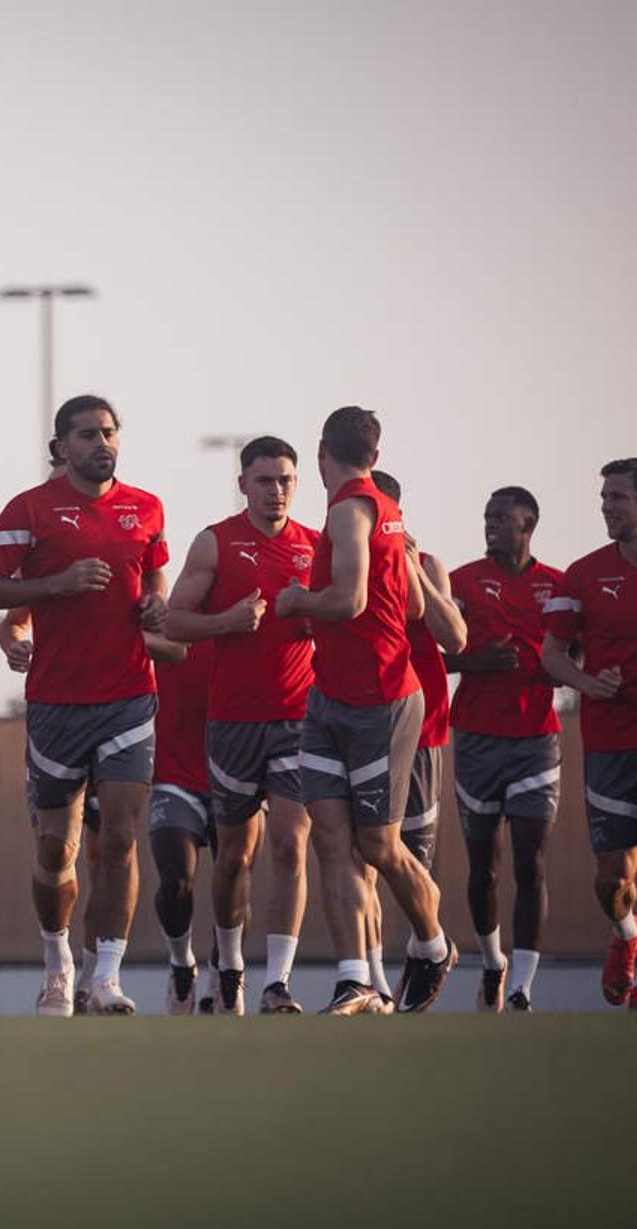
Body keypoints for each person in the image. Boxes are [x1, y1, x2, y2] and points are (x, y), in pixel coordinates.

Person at [0, 395, 168, 1016]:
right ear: (61, 447)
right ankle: (57, 962)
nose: (101, 442)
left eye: (110, 432)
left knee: (119, 840)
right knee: (56, 849)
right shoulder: (30, 509)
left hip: (130, 699)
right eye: (87, 434)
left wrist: (155, 603)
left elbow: (155, 573)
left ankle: (104, 974)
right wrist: (54, 586)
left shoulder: (147, 507)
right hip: (57, 703)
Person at [275, 407, 454, 1015]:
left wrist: (298, 600)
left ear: (322, 452)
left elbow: (349, 602)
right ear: (375, 456)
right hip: (329, 697)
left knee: (378, 846)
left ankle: (432, 944)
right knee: (330, 838)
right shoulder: (383, 507)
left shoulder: (353, 508)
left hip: (381, 700)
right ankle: (356, 979)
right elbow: (390, 604)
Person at [163, 435, 318, 1014]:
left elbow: (350, 616)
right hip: (231, 722)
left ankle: (278, 980)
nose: (276, 491)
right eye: (264, 480)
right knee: (235, 855)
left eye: (285, 480)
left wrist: (317, 622)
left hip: (297, 719)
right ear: (243, 484)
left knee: (291, 844)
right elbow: (176, 622)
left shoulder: (317, 546)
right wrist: (227, 621)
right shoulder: (217, 542)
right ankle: (228, 966)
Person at [540, 457, 637, 1012]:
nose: (607, 507)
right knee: (612, 879)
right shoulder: (584, 574)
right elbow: (551, 656)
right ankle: (626, 933)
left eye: (619, 497)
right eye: (605, 498)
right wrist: (591, 681)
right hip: (610, 743)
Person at [446, 487, 564, 1010]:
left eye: (502, 518)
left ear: (529, 522)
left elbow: (577, 650)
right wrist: (473, 663)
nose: (491, 524)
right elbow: (429, 653)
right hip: (475, 737)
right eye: (487, 516)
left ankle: (522, 986)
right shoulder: (463, 582)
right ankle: (493, 963)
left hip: (536, 740)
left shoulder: (558, 587)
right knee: (483, 865)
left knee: (531, 863)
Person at [367, 470, 467, 1008]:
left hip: (421, 728)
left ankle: (425, 953)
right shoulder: (339, 555)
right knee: (361, 856)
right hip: (359, 724)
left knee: (413, 860)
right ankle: (370, 981)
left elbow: (453, 635)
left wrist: (409, 564)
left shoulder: (426, 565)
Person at [146, 637, 216, 1013]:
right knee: (175, 880)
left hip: (231, 774)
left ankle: (224, 972)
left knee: (235, 878)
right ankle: (181, 962)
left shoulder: (243, 620)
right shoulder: (164, 624)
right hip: (173, 777)